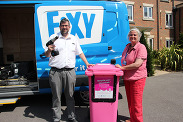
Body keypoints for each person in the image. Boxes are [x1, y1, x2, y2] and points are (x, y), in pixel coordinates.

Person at [45, 18, 93, 122]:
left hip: (70, 72)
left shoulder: (73, 39)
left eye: (66, 25)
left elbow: (80, 52)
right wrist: (49, 50)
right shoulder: (54, 38)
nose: (64, 27)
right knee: (56, 96)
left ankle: (71, 117)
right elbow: (46, 55)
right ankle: (56, 118)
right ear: (59, 26)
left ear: (69, 27)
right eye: (62, 25)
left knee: (70, 96)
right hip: (55, 72)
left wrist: (87, 63)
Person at [115, 28, 147, 122]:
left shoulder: (141, 47)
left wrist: (122, 68)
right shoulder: (127, 46)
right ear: (128, 37)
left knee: (136, 103)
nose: (132, 36)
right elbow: (124, 60)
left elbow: (137, 64)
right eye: (131, 35)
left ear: (139, 37)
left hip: (138, 78)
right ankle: (133, 118)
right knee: (130, 101)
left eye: (135, 35)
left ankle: (138, 120)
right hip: (128, 78)